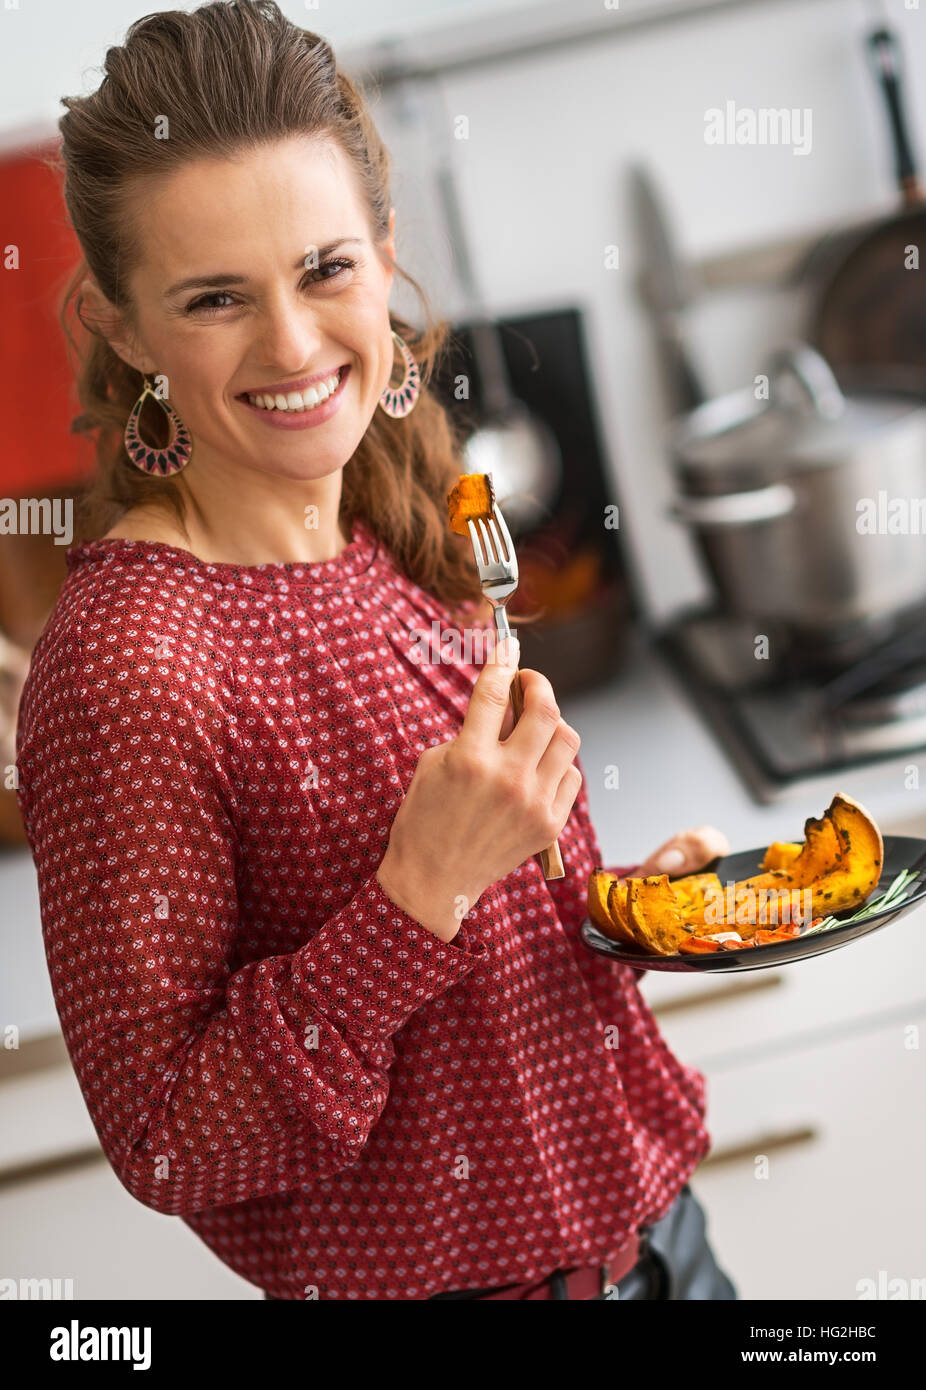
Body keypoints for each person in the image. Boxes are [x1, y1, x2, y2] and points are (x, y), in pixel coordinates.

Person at [15, 0, 737, 1301]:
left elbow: (469, 963)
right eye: (215, 297)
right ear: (125, 329)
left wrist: (617, 907)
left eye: (324, 270)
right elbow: (169, 1140)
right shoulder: (134, 663)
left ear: (385, 254)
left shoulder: (394, 514)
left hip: (664, 1248)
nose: (291, 346)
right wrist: (420, 890)